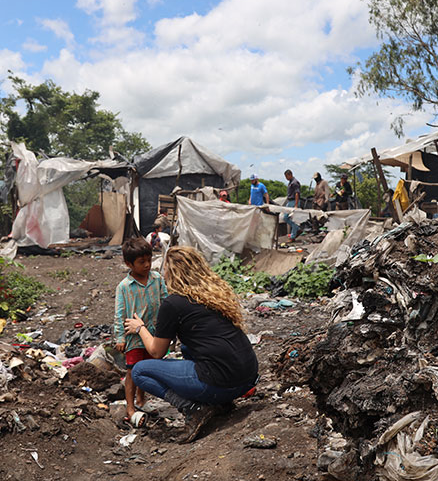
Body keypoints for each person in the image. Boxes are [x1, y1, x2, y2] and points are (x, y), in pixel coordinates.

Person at [124, 246, 258, 443]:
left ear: (172, 272)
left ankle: (194, 409)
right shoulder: (213, 294)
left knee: (140, 371)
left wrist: (140, 327)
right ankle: (221, 403)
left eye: (166, 270)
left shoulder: (173, 304)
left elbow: (156, 352)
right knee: (187, 347)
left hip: (222, 382)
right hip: (247, 377)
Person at [114, 238, 168, 426]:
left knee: (147, 368)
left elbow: (166, 302)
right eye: (141, 262)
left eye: (149, 260)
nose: (147, 265)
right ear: (129, 264)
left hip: (153, 333)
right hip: (133, 336)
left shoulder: (157, 279)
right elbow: (119, 314)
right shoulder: (124, 287)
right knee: (132, 370)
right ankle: (130, 406)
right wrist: (120, 337)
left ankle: (141, 399)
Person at [283, 169, 301, 241]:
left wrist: (296, 205)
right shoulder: (290, 182)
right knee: (285, 217)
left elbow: (297, 193)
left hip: (294, 201)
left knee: (291, 218)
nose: (286, 178)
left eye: (286, 176)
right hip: (290, 201)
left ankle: (293, 236)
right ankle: (297, 229)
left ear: (290, 175)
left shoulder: (295, 182)